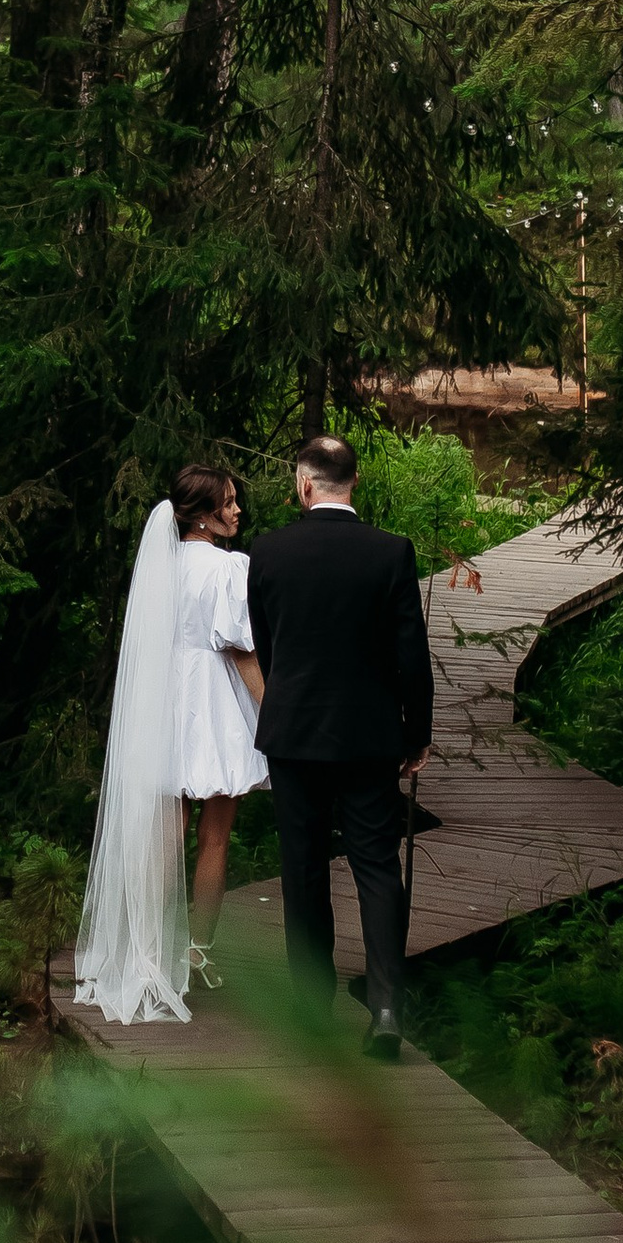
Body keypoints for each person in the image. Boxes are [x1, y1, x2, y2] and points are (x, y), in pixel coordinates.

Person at [245, 432, 432, 1060]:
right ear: (355, 482)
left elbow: (268, 645)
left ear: (304, 485)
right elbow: (411, 654)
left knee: (302, 869)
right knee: (377, 867)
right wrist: (416, 733)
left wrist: (289, 702)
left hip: (294, 733)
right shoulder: (391, 551)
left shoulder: (267, 551)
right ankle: (386, 1009)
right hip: (369, 735)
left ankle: (311, 1010)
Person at [72, 461, 267, 1026]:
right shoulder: (228, 567)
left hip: (160, 704)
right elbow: (239, 647)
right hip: (213, 703)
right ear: (203, 515)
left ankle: (148, 950)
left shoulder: (158, 564)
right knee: (215, 836)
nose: (237, 511)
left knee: (165, 833)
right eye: (228, 502)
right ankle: (197, 951)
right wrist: (272, 711)